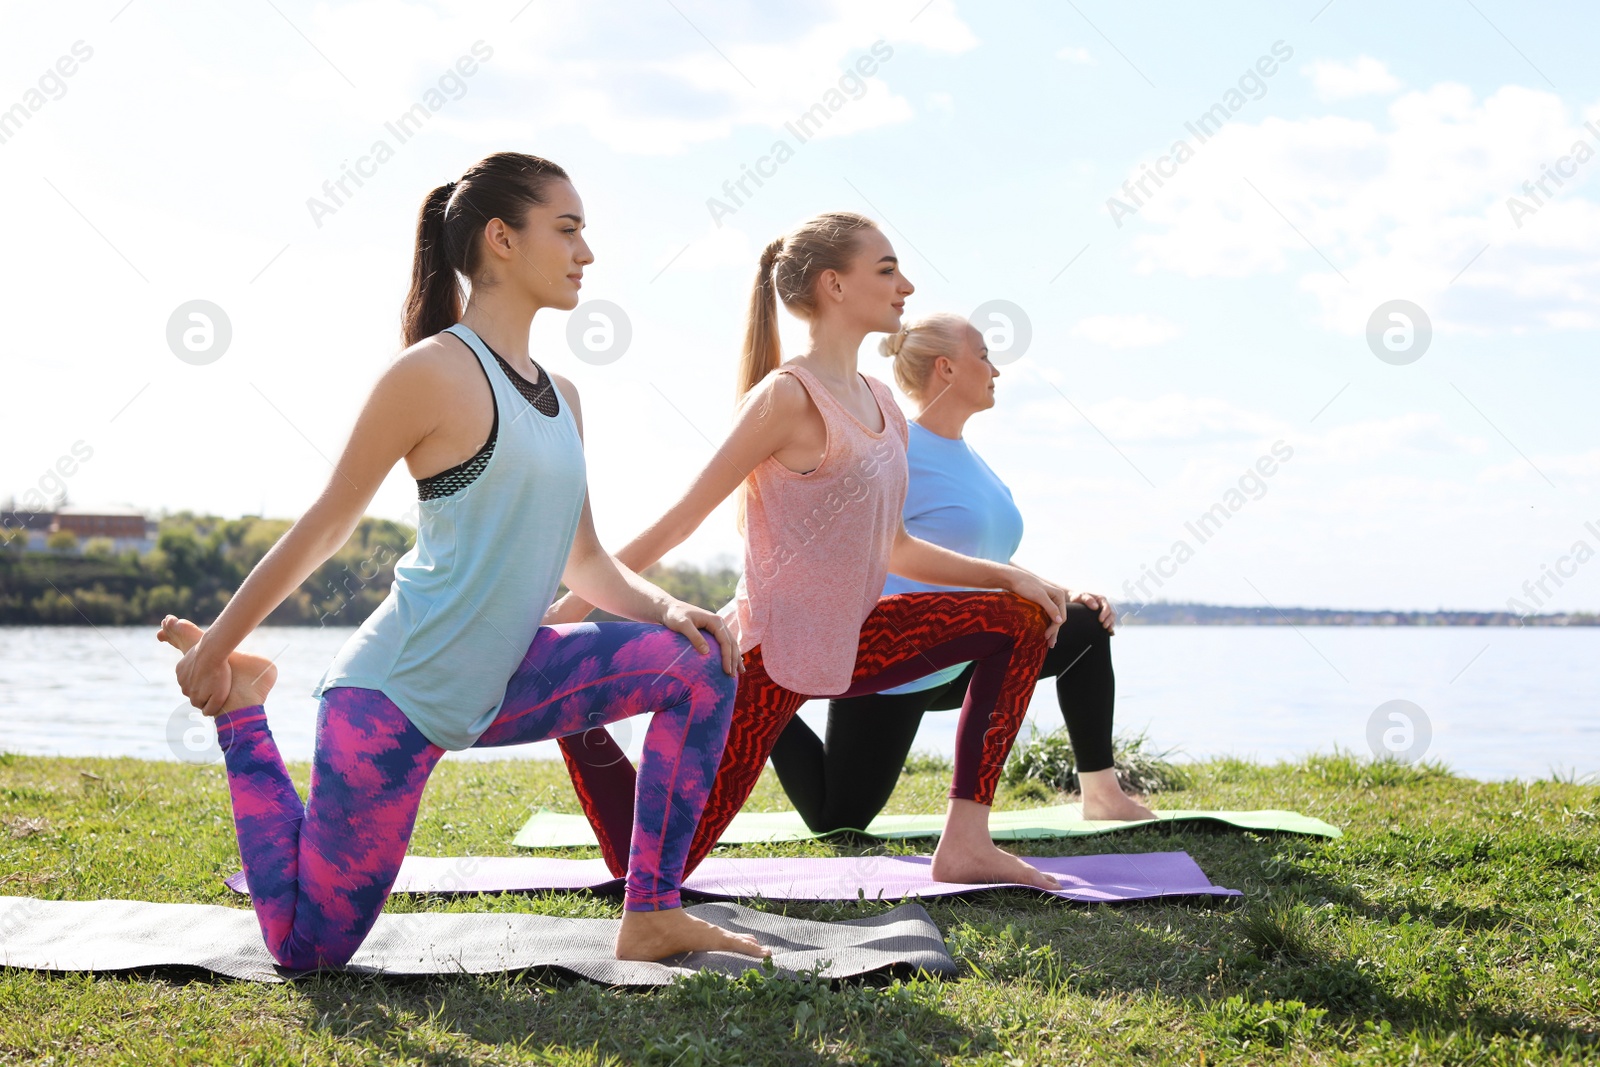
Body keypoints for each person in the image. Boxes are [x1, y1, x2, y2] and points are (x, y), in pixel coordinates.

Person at [157, 151, 765, 969]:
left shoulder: (564, 397)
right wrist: (216, 646)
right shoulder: (431, 372)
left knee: (702, 662)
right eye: (569, 228)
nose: (587, 252)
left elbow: (583, 560)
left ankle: (651, 912)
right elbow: (327, 524)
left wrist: (664, 608)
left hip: (507, 676)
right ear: (502, 239)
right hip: (394, 696)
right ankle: (244, 708)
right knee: (309, 951)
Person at [545, 211, 1071, 891]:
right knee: (645, 865)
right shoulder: (786, 398)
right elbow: (678, 522)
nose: (905, 284)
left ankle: (966, 841)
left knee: (1020, 619)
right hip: (770, 654)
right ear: (834, 285)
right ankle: (574, 710)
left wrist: (1009, 578)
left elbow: (897, 547)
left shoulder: (882, 402)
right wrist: (566, 613)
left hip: (857, 639)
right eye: (886, 270)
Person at [769, 313, 1158, 834]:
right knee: (838, 821)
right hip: (894, 665)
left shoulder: (974, 461)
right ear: (946, 368)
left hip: (961, 656)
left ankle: (1102, 794)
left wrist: (1063, 592)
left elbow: (983, 555)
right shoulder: (894, 447)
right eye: (984, 356)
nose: (995, 369)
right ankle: (756, 699)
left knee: (1084, 628)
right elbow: (853, 544)